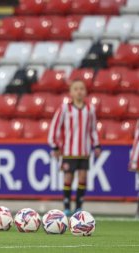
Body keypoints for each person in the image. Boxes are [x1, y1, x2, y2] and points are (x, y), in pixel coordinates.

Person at [48, 80, 101, 216]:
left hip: (84, 151)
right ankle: (66, 206)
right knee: (68, 178)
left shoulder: (90, 109)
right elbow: (55, 126)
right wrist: (54, 146)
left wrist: (96, 145)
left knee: (83, 177)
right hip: (68, 151)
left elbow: (93, 129)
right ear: (71, 92)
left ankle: (78, 207)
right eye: (76, 89)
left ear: (86, 92)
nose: (79, 91)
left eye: (82, 89)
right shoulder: (65, 108)